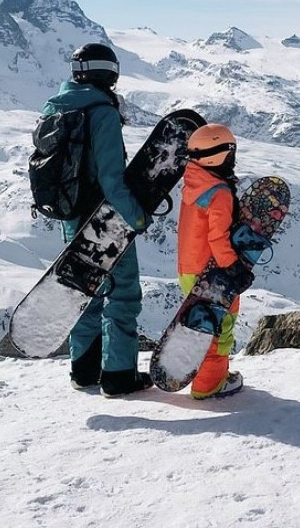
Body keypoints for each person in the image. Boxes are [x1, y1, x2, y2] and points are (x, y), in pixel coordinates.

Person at [46, 43, 153, 397]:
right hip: (105, 219)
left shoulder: (56, 106)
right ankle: (119, 375)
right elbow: (111, 178)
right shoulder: (101, 111)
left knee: (84, 292)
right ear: (108, 73)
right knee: (122, 294)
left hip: (71, 216)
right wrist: (135, 217)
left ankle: (84, 370)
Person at [177, 123, 245, 399]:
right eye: (231, 153)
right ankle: (210, 383)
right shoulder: (219, 192)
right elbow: (218, 238)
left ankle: (209, 373)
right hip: (213, 270)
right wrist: (233, 267)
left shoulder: (194, 182)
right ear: (220, 156)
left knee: (201, 324)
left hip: (189, 268)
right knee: (220, 325)